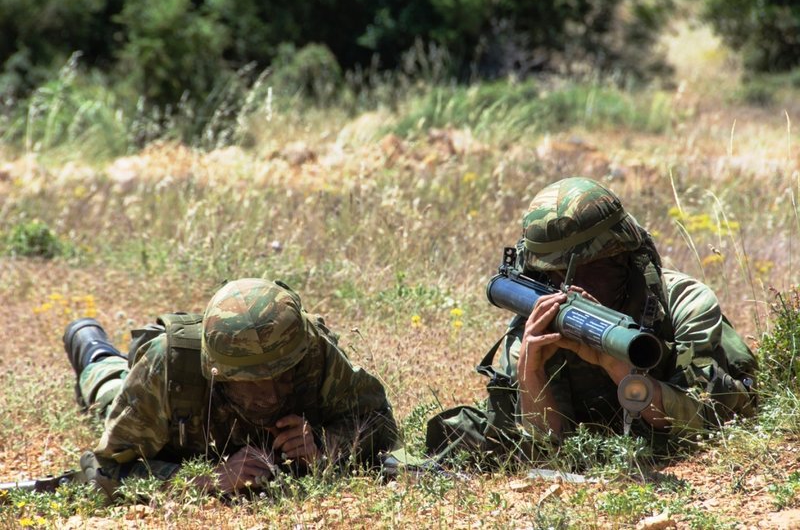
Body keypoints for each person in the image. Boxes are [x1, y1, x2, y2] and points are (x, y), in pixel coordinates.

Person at [426, 177, 757, 461]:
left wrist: (620, 370)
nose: (571, 288)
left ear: (626, 259)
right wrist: (531, 374)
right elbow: (547, 450)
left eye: (593, 269)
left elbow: (709, 420)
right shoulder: (540, 324)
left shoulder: (683, 303)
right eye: (554, 275)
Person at [64, 278, 398, 497]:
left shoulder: (311, 350)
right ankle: (91, 345)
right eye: (250, 381)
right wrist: (206, 480)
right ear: (216, 372)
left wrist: (325, 446)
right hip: (156, 392)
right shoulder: (169, 366)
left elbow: (379, 422)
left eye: (282, 374)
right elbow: (106, 471)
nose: (269, 394)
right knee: (110, 390)